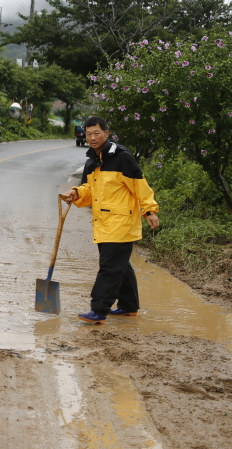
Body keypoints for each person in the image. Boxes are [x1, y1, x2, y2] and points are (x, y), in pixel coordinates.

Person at [63, 116, 160, 324]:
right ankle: (128, 306)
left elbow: (139, 186)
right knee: (120, 266)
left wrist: (149, 211)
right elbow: (89, 191)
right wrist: (76, 193)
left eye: (96, 133)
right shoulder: (92, 161)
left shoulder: (122, 158)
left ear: (107, 133)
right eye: (88, 134)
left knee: (109, 267)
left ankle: (98, 310)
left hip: (122, 223)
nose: (92, 138)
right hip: (103, 223)